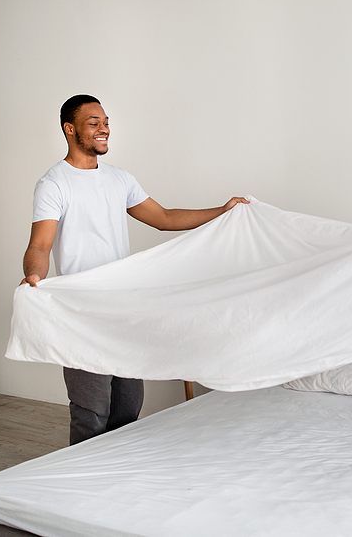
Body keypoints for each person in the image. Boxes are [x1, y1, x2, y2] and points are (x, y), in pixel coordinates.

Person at [21, 94, 248, 445]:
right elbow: (40, 245)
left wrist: (223, 210)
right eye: (93, 122)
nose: (103, 129)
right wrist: (35, 276)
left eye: (106, 122)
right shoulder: (54, 184)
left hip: (124, 308)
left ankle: (116, 479)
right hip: (84, 312)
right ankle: (84, 484)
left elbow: (165, 218)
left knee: (129, 406)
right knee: (92, 409)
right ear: (70, 129)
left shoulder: (119, 179)